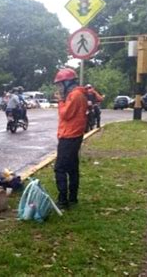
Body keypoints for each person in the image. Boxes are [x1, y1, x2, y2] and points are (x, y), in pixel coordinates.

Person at [53, 68, 88, 209]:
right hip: (74, 134)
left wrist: (60, 101)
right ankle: (72, 198)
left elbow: (65, 114)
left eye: (60, 84)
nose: (59, 88)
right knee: (72, 167)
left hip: (69, 136)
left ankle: (63, 200)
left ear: (67, 82)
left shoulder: (74, 95)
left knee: (60, 168)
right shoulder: (79, 94)